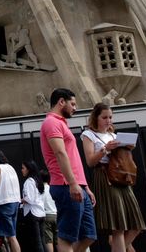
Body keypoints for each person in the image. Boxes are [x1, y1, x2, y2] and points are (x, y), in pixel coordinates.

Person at [80, 103, 145, 252]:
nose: (108, 120)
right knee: (118, 227)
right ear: (96, 118)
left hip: (122, 178)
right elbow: (90, 161)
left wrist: (126, 148)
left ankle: (116, 246)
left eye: (110, 117)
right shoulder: (88, 135)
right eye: (104, 117)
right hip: (105, 177)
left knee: (136, 225)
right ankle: (118, 247)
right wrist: (105, 149)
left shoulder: (113, 135)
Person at [40, 88, 96, 252]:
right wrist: (72, 183)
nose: (75, 108)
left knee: (89, 235)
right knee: (66, 237)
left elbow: (70, 157)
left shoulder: (60, 123)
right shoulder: (51, 122)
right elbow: (59, 152)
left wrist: (85, 186)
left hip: (76, 185)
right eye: (73, 104)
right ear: (61, 102)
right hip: (66, 185)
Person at [0, 150, 21, 252]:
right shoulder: (10, 167)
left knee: (11, 236)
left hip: (2, 203)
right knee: (12, 234)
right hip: (14, 202)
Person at [20, 161, 46, 252]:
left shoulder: (29, 181)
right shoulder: (38, 181)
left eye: (23, 168)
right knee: (42, 241)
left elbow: (29, 199)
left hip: (33, 213)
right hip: (41, 213)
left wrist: (21, 200)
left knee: (37, 242)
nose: (21, 170)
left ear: (28, 169)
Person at [38, 169, 57, 252]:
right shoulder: (52, 188)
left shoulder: (40, 191)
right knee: (59, 239)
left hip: (46, 216)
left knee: (48, 240)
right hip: (56, 215)